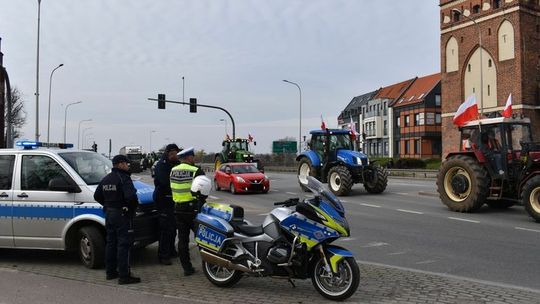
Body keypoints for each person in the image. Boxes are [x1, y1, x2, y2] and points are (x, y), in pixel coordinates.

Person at [94, 155, 141, 285]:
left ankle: (110, 273)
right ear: (120, 164)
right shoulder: (124, 178)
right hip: (122, 215)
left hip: (109, 214)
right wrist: (130, 210)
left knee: (111, 243)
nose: (128, 166)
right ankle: (124, 276)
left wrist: (109, 205)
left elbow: (97, 196)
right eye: (126, 163)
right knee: (124, 245)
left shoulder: (106, 178)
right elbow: (131, 197)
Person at [170, 147, 205, 276]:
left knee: (182, 240)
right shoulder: (196, 171)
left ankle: (187, 268)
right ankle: (208, 265)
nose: (194, 158)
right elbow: (204, 190)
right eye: (193, 156)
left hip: (178, 208)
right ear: (188, 158)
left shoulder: (173, 170)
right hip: (193, 209)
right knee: (202, 239)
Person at [153, 143, 181, 265]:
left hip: (173, 200)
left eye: (176, 153)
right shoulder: (162, 165)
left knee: (173, 227)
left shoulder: (177, 164)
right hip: (163, 200)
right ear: (168, 153)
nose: (175, 155)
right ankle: (163, 255)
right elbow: (165, 182)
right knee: (165, 229)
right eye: (173, 153)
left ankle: (171, 250)